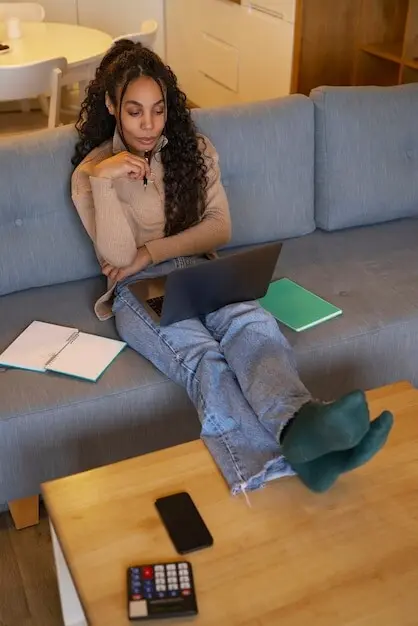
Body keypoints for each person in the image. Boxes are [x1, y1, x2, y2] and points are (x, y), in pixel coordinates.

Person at [71, 40, 393, 496]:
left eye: (159, 110)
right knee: (206, 359)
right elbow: (122, 259)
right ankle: (293, 457)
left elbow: (219, 228)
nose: (149, 125)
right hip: (137, 287)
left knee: (253, 326)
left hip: (200, 270)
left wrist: (153, 251)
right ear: (111, 106)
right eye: (134, 111)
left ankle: (302, 429)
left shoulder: (194, 149)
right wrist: (105, 182)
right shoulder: (91, 173)